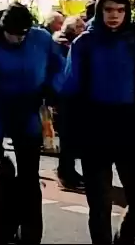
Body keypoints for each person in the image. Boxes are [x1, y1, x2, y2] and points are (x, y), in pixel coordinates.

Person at [62, 0, 135, 245]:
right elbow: (71, 87)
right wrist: (70, 139)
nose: (114, 15)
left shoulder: (134, 42)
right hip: (96, 128)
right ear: (100, 10)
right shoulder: (85, 43)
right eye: (109, 9)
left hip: (130, 128)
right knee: (100, 206)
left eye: (120, 10)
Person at [0, 4, 65, 245]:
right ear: (3, 29)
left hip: (28, 109)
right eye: (14, 34)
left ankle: (31, 233)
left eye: (23, 33)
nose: (19, 39)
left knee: (30, 177)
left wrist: (53, 88)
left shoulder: (40, 38)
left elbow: (59, 65)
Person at [52, 15, 85, 190]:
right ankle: (65, 173)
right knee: (67, 137)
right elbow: (62, 69)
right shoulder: (62, 46)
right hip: (64, 94)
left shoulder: (67, 44)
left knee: (70, 138)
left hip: (70, 94)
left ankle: (68, 170)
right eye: (80, 28)